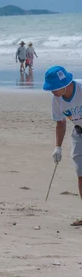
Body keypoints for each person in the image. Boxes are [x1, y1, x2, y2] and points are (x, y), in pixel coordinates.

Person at [44, 66, 82, 226]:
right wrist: (57, 147)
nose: (52, 91)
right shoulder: (56, 99)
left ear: (65, 84)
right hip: (79, 133)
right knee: (81, 173)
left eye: (54, 88)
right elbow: (60, 123)